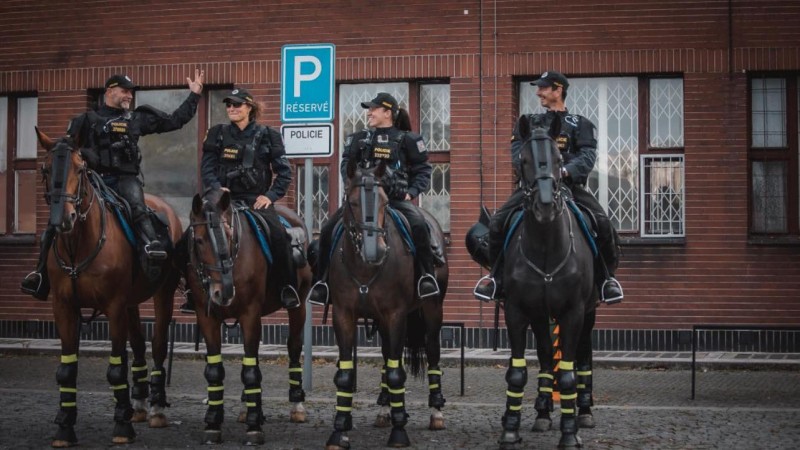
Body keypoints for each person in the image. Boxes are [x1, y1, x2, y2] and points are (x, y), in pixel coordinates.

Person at [21, 71, 205, 300]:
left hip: (125, 180)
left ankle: (151, 248)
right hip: (93, 180)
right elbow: (66, 151)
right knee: (56, 217)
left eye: (131, 91)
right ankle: (40, 274)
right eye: (125, 90)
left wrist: (194, 95)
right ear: (110, 91)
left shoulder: (136, 119)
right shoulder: (85, 121)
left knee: (138, 208)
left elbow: (174, 121)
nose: (129, 95)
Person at [473, 71, 623, 304]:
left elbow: (586, 157)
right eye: (538, 88)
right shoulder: (528, 122)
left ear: (558, 90)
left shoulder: (581, 124)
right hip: (531, 189)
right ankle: (496, 278)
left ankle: (606, 279)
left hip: (569, 188)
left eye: (543, 88)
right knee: (497, 223)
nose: (538, 92)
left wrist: (563, 171)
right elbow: (517, 154)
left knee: (602, 223)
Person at [306, 92, 439, 306]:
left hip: (394, 200)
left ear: (388, 113)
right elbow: (346, 164)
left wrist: (411, 193)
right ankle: (321, 282)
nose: (370, 113)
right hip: (361, 201)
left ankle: (426, 277)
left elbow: (423, 170)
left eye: (374, 109)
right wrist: (352, 185)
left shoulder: (409, 140)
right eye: (370, 109)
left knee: (420, 226)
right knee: (329, 229)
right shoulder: (359, 139)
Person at [182, 87, 300, 312]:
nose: (232, 108)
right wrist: (217, 188)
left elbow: (284, 173)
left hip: (255, 201)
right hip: (221, 201)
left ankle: (287, 287)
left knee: (280, 237)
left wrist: (270, 196)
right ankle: (190, 291)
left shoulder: (269, 135)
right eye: (229, 105)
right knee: (189, 237)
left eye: (237, 104)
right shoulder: (217, 134)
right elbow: (207, 168)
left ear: (249, 108)